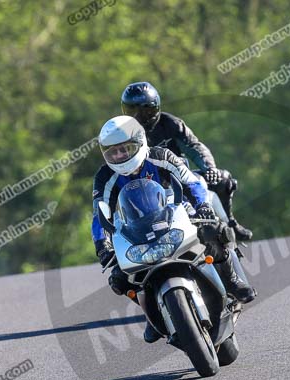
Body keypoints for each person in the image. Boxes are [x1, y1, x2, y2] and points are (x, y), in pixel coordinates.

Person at [91, 116, 256, 343]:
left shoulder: (161, 156)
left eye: (124, 149)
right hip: (134, 227)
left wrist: (204, 208)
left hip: (176, 210)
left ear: (139, 143)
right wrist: (102, 245)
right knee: (119, 278)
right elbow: (99, 214)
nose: (119, 156)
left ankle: (233, 281)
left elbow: (192, 182)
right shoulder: (104, 177)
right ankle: (152, 315)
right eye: (113, 152)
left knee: (214, 232)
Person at [120, 81, 254, 242]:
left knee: (222, 179)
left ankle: (231, 224)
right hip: (145, 190)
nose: (139, 118)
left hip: (179, 179)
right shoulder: (123, 134)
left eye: (145, 111)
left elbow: (194, 146)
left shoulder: (171, 124)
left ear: (156, 107)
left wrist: (209, 168)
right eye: (132, 112)